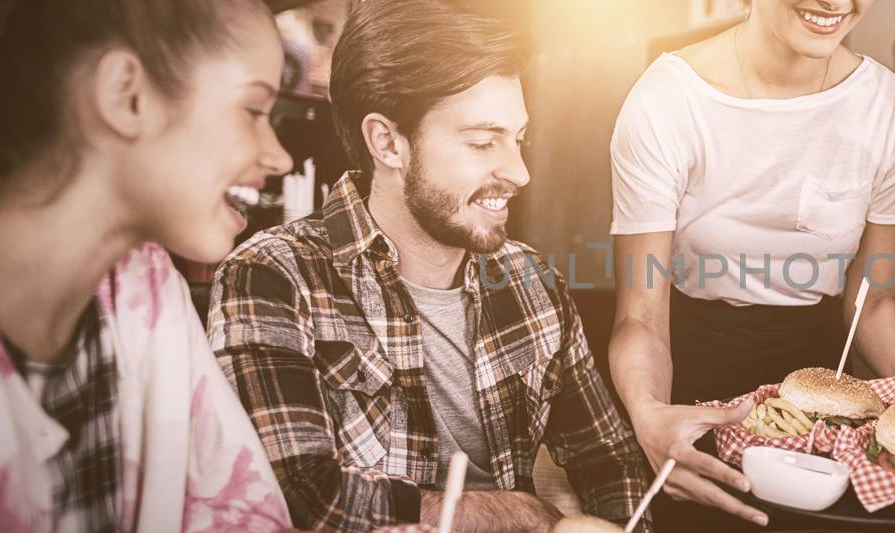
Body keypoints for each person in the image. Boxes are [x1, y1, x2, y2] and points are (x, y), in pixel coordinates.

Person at [207, 1, 651, 532]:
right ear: (388, 142)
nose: (519, 171)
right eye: (483, 142)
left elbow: (608, 460)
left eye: (518, 138)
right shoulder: (272, 276)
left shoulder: (533, 282)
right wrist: (522, 515)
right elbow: (304, 495)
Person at [0, 0, 294, 531]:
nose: (281, 158)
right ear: (126, 96)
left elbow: (243, 512)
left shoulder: (146, 290)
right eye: (252, 111)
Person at [606, 0, 895, 528]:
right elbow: (640, 316)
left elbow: (873, 302)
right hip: (689, 376)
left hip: (825, 394)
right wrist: (649, 415)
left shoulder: (892, 109)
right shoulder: (668, 100)